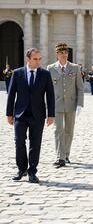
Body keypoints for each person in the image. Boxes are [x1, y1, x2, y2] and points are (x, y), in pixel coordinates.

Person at [6, 48, 55, 183]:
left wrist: (51, 114)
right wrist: (9, 113)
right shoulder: (17, 73)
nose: (38, 61)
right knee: (19, 142)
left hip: (38, 115)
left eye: (39, 59)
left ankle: (32, 171)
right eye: (35, 59)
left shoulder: (45, 74)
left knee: (35, 144)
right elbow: (11, 95)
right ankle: (22, 169)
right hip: (20, 114)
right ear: (28, 59)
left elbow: (50, 96)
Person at [47, 42, 84, 168]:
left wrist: (80, 104)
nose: (64, 55)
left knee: (69, 130)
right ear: (57, 54)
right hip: (56, 104)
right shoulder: (50, 68)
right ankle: (60, 157)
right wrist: (47, 105)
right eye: (61, 53)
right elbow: (48, 89)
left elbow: (80, 87)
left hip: (71, 103)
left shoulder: (75, 68)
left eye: (66, 52)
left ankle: (66, 154)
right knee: (58, 130)